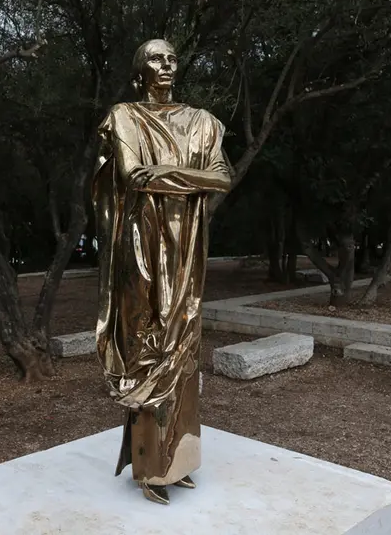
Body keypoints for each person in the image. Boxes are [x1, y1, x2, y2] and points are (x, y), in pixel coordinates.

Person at [92, 38, 232, 505]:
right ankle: (149, 467)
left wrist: (164, 175)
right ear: (139, 70)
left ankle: (177, 461)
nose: (166, 65)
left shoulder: (204, 122)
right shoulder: (125, 116)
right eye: (155, 58)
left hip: (188, 248)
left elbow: (223, 177)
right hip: (142, 246)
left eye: (172, 58)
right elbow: (133, 175)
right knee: (145, 344)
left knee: (185, 347)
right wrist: (194, 180)